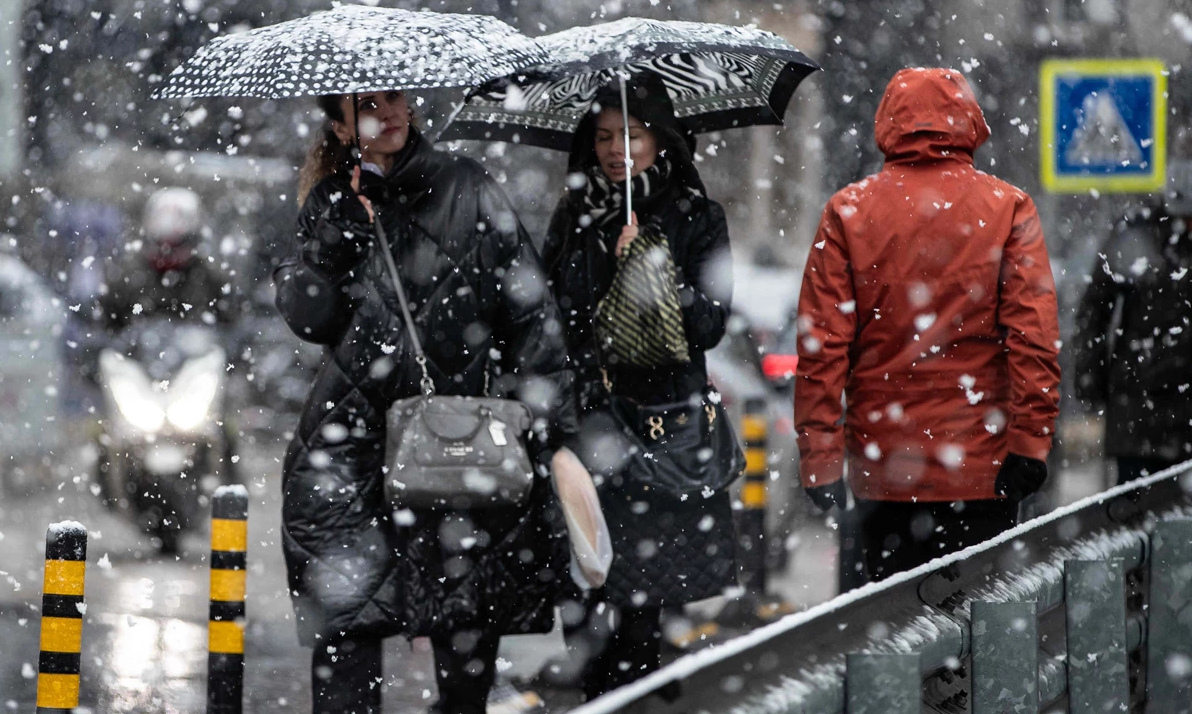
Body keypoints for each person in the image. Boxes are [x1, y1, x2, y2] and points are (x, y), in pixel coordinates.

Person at [276, 89, 578, 714]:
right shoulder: (331, 201)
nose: (391, 113)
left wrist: (549, 422)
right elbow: (308, 317)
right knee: (347, 620)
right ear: (338, 128)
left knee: (465, 622)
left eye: (398, 101)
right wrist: (338, 235)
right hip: (350, 437)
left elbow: (529, 312)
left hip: (455, 432)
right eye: (369, 106)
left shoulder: (467, 186)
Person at [794, 68, 1061, 582]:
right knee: (982, 636)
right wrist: (1029, 444)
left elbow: (821, 349)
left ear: (888, 124)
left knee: (892, 638)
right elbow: (1034, 340)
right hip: (982, 469)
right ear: (969, 122)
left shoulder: (847, 213)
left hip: (884, 472)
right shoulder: (1008, 209)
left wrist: (821, 461)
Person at [542, 73, 736, 696]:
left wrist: (652, 269)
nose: (615, 148)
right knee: (587, 565)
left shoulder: (697, 217)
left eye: (631, 134)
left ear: (662, 141)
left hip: (660, 423)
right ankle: (599, 677)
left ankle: (633, 679)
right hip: (587, 419)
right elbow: (547, 313)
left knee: (645, 584)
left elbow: (708, 322)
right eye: (602, 136)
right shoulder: (574, 217)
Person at [1074, 153, 1192, 483]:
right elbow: (1094, 312)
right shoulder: (1137, 236)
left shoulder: (1144, 236)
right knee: (1138, 523)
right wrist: (1091, 379)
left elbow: (1094, 314)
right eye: (1189, 218)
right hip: (1142, 416)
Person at [100, 187, 233, 330]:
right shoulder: (125, 278)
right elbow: (105, 329)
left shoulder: (212, 280)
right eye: (161, 241)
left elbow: (231, 329)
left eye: (178, 242)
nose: (168, 252)